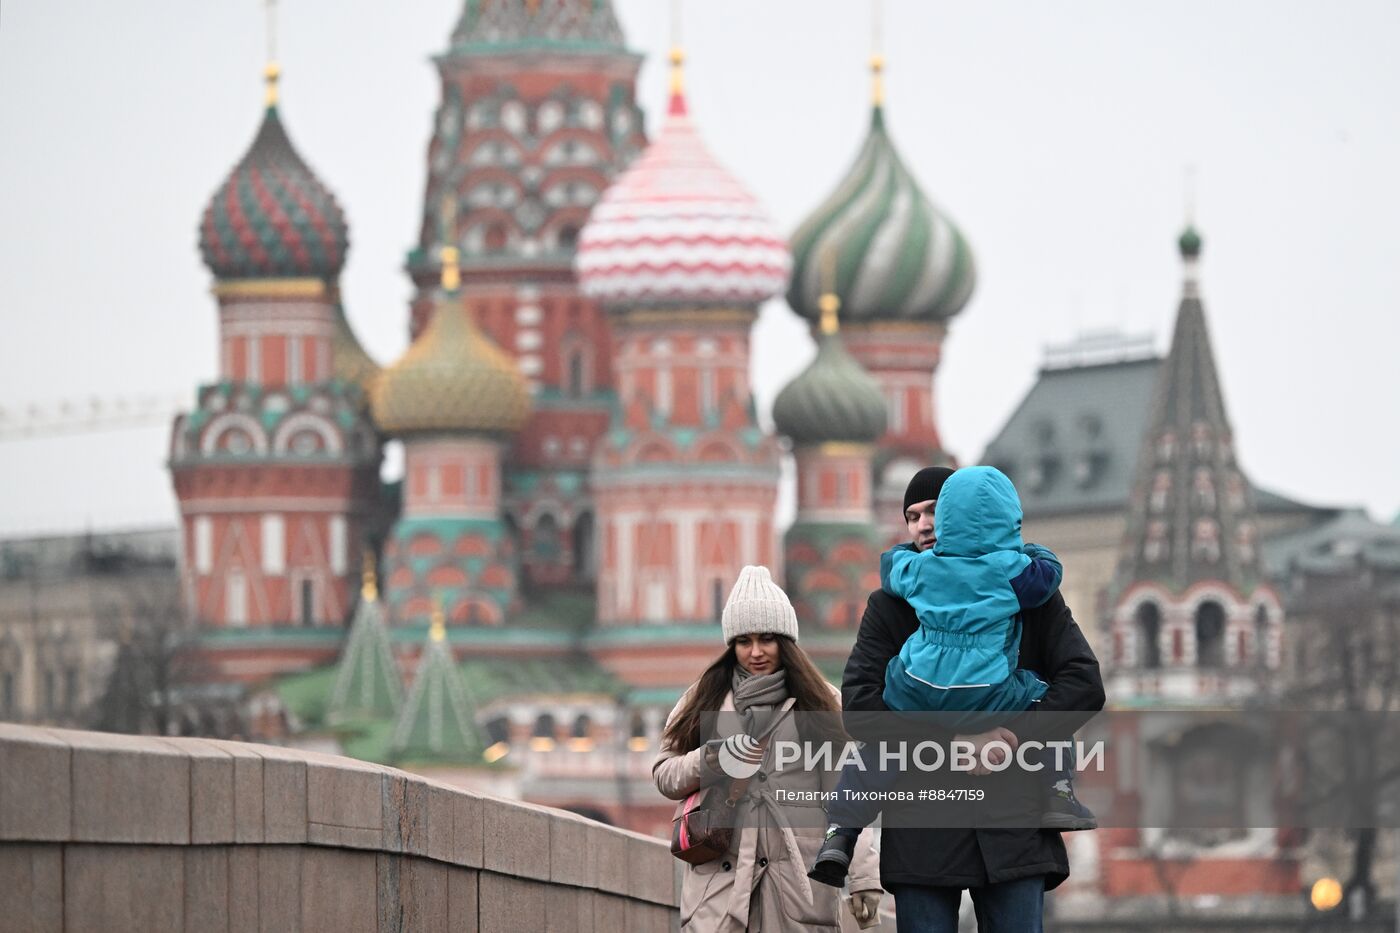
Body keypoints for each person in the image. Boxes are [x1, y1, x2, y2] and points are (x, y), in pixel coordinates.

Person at [835, 467, 1106, 933]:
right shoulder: (891, 604)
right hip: (923, 827)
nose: (923, 525)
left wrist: (1010, 737)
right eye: (911, 516)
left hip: (1014, 825)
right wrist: (956, 740)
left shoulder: (1030, 594)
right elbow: (861, 710)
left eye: (933, 511)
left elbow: (1083, 686)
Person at [654, 565, 886, 931]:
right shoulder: (704, 698)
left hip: (797, 888)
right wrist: (712, 758)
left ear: (786, 642)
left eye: (767, 639)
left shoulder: (821, 703)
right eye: (744, 641)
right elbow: (665, 775)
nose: (756, 652)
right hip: (720, 889)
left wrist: (864, 878)